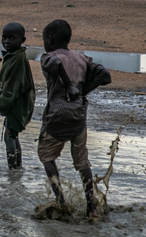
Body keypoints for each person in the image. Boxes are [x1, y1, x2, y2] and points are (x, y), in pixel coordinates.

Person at [38, 19, 111, 218]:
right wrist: (82, 91)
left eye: (44, 39)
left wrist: (68, 84)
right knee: (82, 161)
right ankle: (91, 208)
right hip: (79, 116)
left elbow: (55, 63)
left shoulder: (47, 56)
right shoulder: (83, 58)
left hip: (56, 116)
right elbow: (105, 75)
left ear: (50, 39)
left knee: (46, 155)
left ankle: (61, 202)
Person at [0, 22, 35, 170]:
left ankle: (13, 168)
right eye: (4, 38)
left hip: (17, 104)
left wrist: (3, 105)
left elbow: (11, 88)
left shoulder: (17, 59)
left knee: (10, 137)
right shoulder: (12, 56)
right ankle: (17, 169)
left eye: (12, 38)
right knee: (13, 135)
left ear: (22, 40)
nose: (7, 41)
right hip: (16, 103)